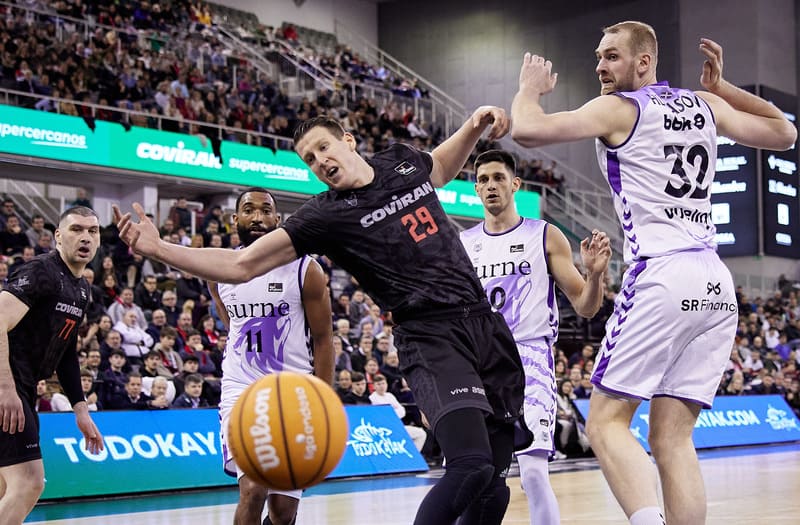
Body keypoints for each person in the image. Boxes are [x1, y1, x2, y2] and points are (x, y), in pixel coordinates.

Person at [114, 107, 525, 525]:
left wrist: (474, 127)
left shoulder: (399, 160)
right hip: (431, 335)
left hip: (485, 325)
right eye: (309, 159)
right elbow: (241, 265)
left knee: (494, 481)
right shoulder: (325, 215)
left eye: (323, 148)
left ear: (348, 141)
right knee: (471, 465)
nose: (320, 162)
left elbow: (437, 167)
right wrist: (160, 249)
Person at [510, 21, 796, 525]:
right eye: (598, 56)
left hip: (663, 274)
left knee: (604, 424)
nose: (600, 66)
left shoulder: (619, 107)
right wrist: (723, 89)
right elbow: (784, 132)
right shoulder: (702, 105)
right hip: (715, 282)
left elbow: (528, 130)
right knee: (672, 438)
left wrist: (528, 91)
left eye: (612, 56)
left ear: (644, 62)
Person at [460, 149, 611, 525]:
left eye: (498, 178)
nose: (490, 185)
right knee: (470, 475)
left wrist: (594, 277)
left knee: (532, 473)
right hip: (478, 364)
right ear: (475, 188)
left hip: (529, 360)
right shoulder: (462, 245)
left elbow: (586, 307)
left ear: (515, 184)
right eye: (483, 179)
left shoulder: (544, 235)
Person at [206, 188, 335, 525]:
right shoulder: (218, 269)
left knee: (282, 512)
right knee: (253, 487)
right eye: (249, 210)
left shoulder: (305, 270)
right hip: (241, 391)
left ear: (278, 220)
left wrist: (324, 402)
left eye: (266, 211)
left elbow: (323, 340)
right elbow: (231, 319)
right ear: (235, 219)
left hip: (294, 391)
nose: (258, 217)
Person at [0, 206, 104, 524]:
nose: (85, 237)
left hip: (26, 385)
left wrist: (80, 409)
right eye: (76, 230)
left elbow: (67, 350)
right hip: (9, 383)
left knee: (6, 486)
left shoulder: (82, 288)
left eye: (92, 231)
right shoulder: (40, 271)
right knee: (30, 481)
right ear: (58, 236)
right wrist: (5, 388)